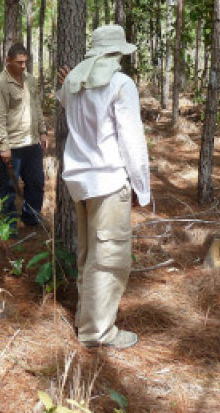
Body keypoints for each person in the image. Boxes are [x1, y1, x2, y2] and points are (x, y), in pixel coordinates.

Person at [56, 25, 151, 350]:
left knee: (89, 254)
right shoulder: (121, 83)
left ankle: (87, 319)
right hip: (109, 180)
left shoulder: (72, 82)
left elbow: (74, 118)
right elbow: (132, 140)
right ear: (118, 52)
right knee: (109, 258)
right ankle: (98, 332)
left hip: (80, 181)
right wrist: (142, 186)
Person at [0, 43, 48, 234]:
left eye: (25, 62)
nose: (23, 66)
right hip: (12, 146)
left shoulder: (29, 79)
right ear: (8, 61)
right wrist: (3, 146)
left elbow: (36, 106)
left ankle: (31, 218)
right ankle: (9, 225)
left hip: (31, 143)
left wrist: (42, 130)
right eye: (19, 62)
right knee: (8, 188)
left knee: (36, 183)